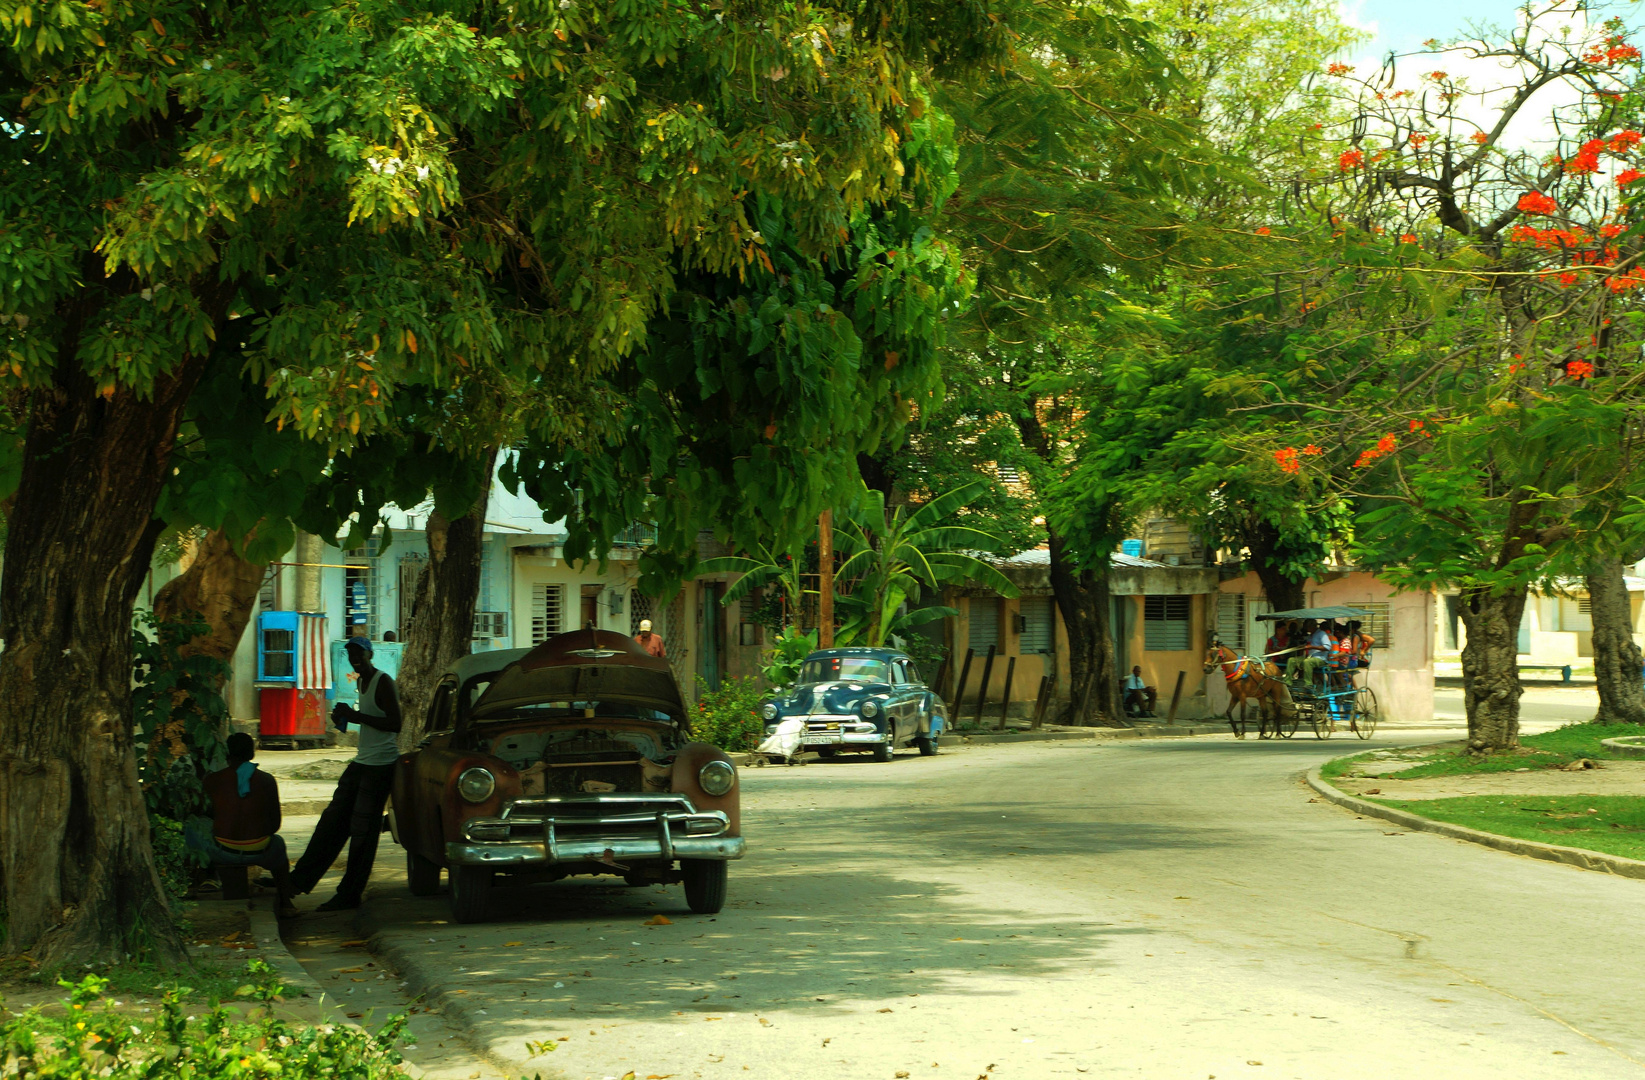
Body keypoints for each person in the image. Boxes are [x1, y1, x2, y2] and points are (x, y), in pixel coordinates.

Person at [290, 637, 401, 912]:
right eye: (350, 654)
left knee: (363, 831)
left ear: (369, 655)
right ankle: (296, 882)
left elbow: (395, 723)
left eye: (359, 654)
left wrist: (356, 717)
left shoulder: (382, 681)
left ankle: (350, 893)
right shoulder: (360, 681)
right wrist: (346, 716)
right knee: (332, 821)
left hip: (380, 766)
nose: (354, 658)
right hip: (363, 762)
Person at [188, 733, 299, 919]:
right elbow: (275, 825)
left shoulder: (212, 780)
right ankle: (286, 901)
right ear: (252, 754)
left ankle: (190, 885)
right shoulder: (266, 780)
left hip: (222, 850)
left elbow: (203, 815)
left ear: (226, 754)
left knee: (191, 829)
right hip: (260, 850)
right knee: (278, 843)